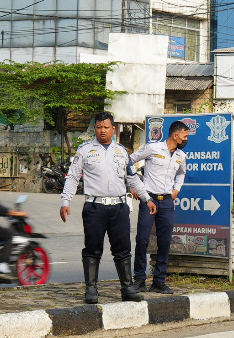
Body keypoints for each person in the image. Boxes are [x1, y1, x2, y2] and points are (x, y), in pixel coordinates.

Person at [59, 112, 149, 304]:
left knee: (123, 249)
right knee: (92, 249)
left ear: (113, 129)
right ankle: (91, 290)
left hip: (118, 207)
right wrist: (65, 202)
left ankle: (127, 289)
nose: (102, 131)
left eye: (106, 127)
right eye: (99, 127)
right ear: (95, 129)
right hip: (94, 207)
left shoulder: (122, 152)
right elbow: (73, 177)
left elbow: (132, 177)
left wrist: (146, 198)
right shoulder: (84, 150)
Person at [132, 121, 189, 294]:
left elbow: (182, 174)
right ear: (175, 135)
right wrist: (134, 186)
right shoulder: (153, 148)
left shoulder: (181, 156)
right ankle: (139, 280)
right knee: (142, 239)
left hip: (166, 202)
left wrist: (176, 190)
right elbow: (130, 161)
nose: (186, 139)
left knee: (164, 242)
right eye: (185, 135)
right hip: (148, 199)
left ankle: (159, 281)